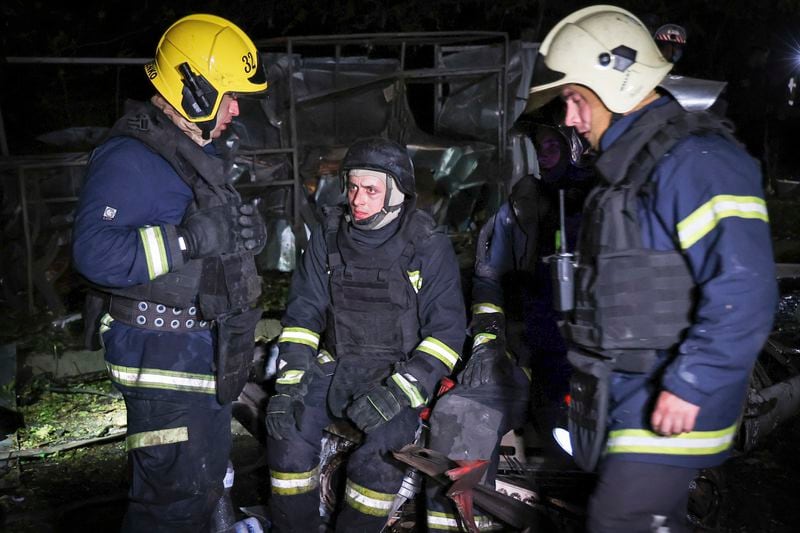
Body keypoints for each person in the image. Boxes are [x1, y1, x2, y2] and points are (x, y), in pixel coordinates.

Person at [526, 5, 777, 532]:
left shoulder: (696, 161)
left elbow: (745, 288)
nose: (569, 119)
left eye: (575, 100)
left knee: (621, 520)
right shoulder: (628, 171)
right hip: (624, 392)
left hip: (672, 395)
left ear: (616, 86)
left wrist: (692, 382)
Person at [71, 14, 268, 532]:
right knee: (171, 507)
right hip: (163, 356)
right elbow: (95, 253)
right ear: (193, 89)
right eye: (227, 95)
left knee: (201, 489)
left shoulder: (191, 153)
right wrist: (190, 239)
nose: (235, 109)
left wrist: (245, 238)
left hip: (196, 349)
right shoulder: (131, 157)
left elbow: (207, 233)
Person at [264, 137, 466, 532]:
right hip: (336, 364)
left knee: (378, 461)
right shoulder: (327, 236)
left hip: (399, 374)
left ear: (397, 192)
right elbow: (304, 314)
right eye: (353, 187)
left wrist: (398, 392)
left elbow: (447, 334)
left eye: (371, 189)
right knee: (286, 436)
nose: (357, 199)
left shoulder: (428, 245)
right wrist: (288, 386)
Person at [424, 123, 594, 531]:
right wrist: (489, 343)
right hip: (533, 346)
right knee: (472, 413)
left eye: (555, 144)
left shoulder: (599, 199)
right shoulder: (521, 205)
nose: (546, 152)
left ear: (574, 146)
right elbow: (488, 279)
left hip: (589, 353)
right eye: (542, 145)